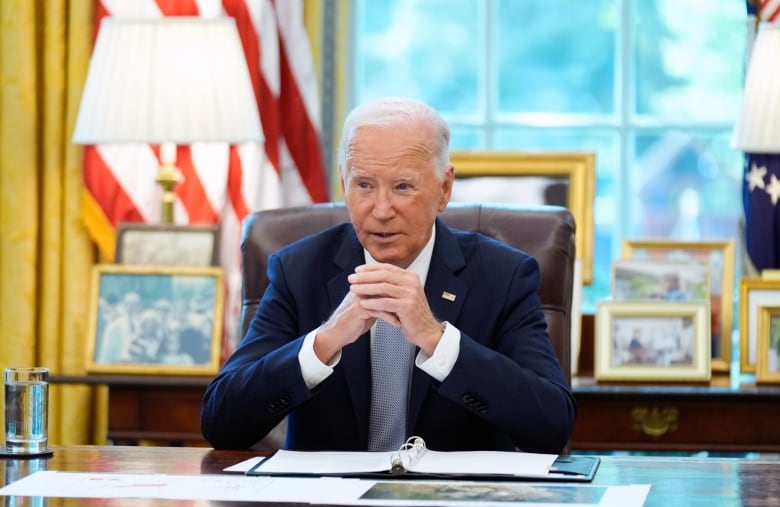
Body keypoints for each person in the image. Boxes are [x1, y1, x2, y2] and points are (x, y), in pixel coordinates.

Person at [200, 97, 576, 453]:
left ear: (444, 189)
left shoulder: (504, 275)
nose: (381, 210)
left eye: (403, 187)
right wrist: (325, 342)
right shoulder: (298, 270)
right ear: (344, 185)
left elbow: (551, 425)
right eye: (364, 185)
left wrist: (435, 338)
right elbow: (222, 422)